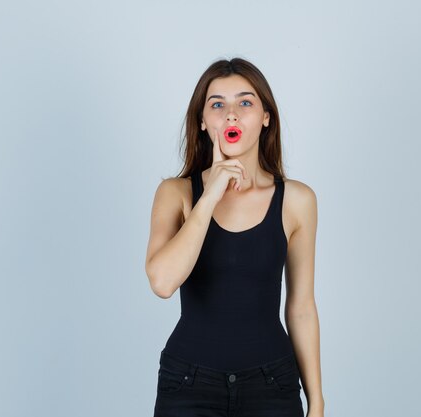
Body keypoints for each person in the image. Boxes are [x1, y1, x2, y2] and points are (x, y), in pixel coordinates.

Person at [145, 57, 325, 417]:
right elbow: (162, 282)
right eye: (217, 105)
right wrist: (210, 195)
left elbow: (301, 307)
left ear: (265, 117)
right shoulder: (176, 193)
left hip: (273, 384)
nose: (231, 115)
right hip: (188, 385)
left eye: (245, 102)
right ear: (202, 121)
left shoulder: (297, 200)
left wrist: (317, 400)